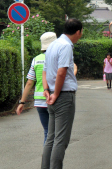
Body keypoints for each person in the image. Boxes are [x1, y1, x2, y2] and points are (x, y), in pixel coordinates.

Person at [41, 18, 83, 169]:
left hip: (51, 93)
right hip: (63, 96)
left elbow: (45, 71)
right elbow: (61, 72)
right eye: (81, 32)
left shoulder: (53, 45)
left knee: (51, 139)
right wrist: (57, 94)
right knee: (61, 140)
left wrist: (47, 90)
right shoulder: (66, 46)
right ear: (78, 32)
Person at [16, 32, 57, 145]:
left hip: (39, 102)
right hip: (53, 99)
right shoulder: (57, 58)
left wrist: (22, 102)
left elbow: (29, 82)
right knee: (55, 134)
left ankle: (46, 160)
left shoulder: (36, 59)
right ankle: (52, 160)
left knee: (47, 132)